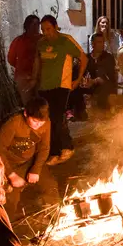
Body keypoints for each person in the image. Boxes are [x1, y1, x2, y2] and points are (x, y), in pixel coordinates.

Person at [0, 97, 58, 220]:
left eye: (41, 122)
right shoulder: (13, 123)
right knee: (10, 198)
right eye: (34, 121)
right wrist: (11, 175)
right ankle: (4, 226)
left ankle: (55, 216)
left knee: (50, 185)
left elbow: (44, 148)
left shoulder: (46, 122)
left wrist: (36, 169)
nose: (38, 125)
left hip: (29, 161)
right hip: (9, 165)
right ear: (26, 113)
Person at [33, 15, 87, 165]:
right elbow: (37, 61)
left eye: (48, 29)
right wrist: (34, 79)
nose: (45, 32)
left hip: (61, 86)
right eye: (43, 30)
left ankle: (57, 151)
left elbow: (83, 58)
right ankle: (61, 148)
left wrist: (77, 79)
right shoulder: (41, 43)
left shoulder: (65, 40)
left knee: (56, 118)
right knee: (48, 119)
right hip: (44, 86)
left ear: (56, 27)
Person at [69, 33, 117, 120]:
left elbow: (108, 76)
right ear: (93, 44)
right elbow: (80, 73)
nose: (102, 44)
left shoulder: (108, 57)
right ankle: (78, 113)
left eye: (102, 42)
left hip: (104, 84)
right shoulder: (87, 58)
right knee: (74, 87)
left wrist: (94, 81)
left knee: (104, 87)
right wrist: (83, 81)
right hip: (89, 85)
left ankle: (102, 113)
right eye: (99, 42)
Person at [8, 15, 41, 104]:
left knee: (41, 103)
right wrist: (21, 66)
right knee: (28, 103)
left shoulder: (42, 40)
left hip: (40, 76)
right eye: (33, 24)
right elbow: (11, 59)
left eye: (38, 24)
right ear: (27, 26)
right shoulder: (19, 41)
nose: (36, 26)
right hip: (23, 77)